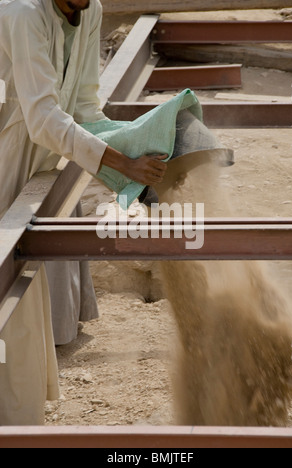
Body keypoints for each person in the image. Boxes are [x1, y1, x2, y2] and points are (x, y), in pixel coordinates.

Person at [0, 0, 167, 425]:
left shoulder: (88, 10)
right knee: (7, 281)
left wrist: (136, 150)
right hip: (8, 149)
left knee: (22, 285)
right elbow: (42, 117)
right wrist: (123, 164)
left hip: (35, 154)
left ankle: (20, 413)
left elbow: (87, 108)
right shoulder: (23, 13)